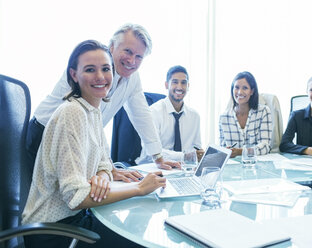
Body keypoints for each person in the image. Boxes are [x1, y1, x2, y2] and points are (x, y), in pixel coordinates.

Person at [22, 40, 166, 248]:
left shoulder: (93, 110)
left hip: (77, 220)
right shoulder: (72, 113)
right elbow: (76, 196)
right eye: (90, 70)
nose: (100, 77)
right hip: (55, 232)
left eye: (106, 69)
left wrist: (102, 176)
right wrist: (139, 188)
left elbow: (104, 163)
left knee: (138, 232)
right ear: (74, 75)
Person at [26, 23, 180, 179]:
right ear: (112, 47)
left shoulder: (132, 78)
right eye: (128, 51)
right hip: (46, 134)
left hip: (77, 141)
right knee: (56, 196)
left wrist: (158, 156)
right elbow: (88, 120)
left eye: (139, 56)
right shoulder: (90, 71)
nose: (132, 61)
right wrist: (109, 167)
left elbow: (141, 115)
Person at [136, 65, 204, 163]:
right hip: (152, 166)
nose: (180, 87)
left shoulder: (195, 116)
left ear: (188, 86)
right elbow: (150, 150)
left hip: (183, 168)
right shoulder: (153, 112)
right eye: (175, 82)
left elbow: (197, 148)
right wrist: (184, 156)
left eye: (183, 83)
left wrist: (200, 154)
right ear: (166, 85)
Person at [219, 71, 272, 158]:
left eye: (245, 88)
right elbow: (222, 148)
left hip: (256, 166)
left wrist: (241, 152)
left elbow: (265, 146)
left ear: (252, 91)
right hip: (233, 168)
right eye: (236, 87)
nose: (239, 92)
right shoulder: (223, 118)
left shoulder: (263, 112)